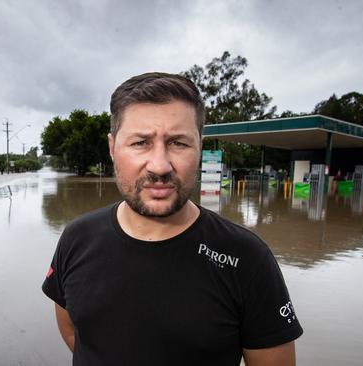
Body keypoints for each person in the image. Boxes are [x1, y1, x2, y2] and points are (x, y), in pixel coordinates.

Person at [42, 72, 303, 365]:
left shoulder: (247, 258)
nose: (160, 165)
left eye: (178, 143)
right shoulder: (76, 238)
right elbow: (75, 336)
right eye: (140, 142)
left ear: (200, 147)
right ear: (113, 147)